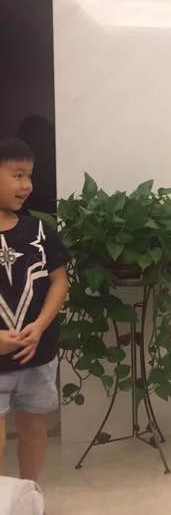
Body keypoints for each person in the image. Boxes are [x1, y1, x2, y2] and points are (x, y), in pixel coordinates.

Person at [0, 136, 68, 481]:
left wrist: (40, 326)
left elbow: (59, 281)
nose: (26, 185)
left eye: (29, 175)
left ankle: (28, 494)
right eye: (17, 175)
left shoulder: (40, 230)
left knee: (34, 429)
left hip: (37, 355)